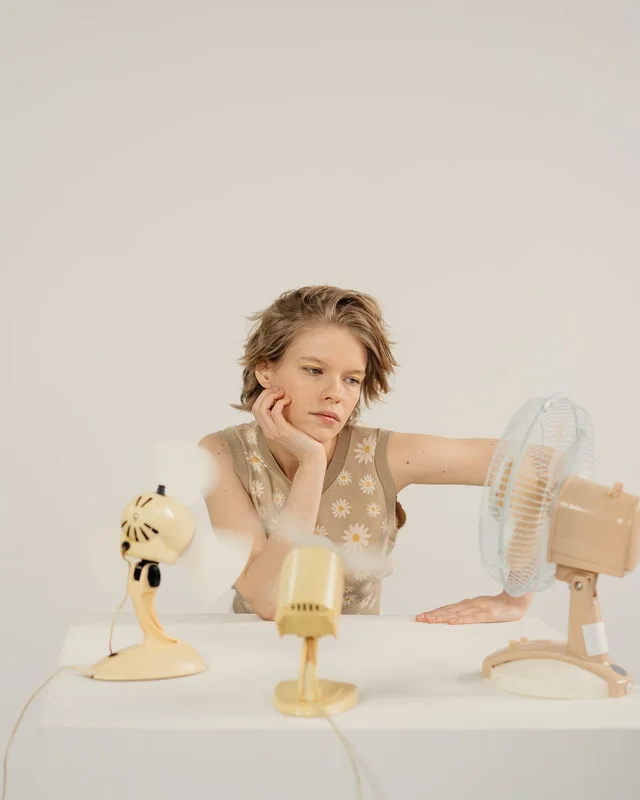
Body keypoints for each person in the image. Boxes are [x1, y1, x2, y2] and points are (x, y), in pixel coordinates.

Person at [200, 285, 532, 622]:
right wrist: (312, 465)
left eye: (352, 380)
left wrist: (515, 598)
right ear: (265, 370)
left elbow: (540, 467)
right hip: (252, 657)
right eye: (314, 370)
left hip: (358, 658)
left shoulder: (380, 455)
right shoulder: (222, 455)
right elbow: (270, 601)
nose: (335, 394)